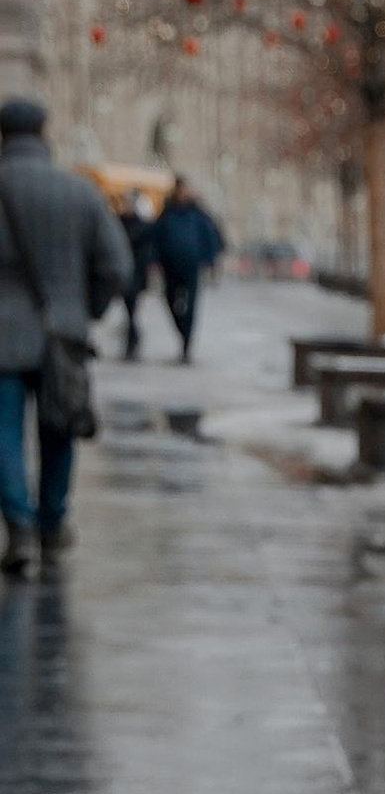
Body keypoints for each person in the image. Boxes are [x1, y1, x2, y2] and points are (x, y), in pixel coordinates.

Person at [0, 97, 130, 578]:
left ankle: (18, 524)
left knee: (3, 434)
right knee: (59, 427)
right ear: (44, 131)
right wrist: (85, 308)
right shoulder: (78, 191)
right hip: (62, 330)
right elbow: (117, 266)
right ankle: (52, 525)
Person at [153, 175, 226, 361]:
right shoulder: (167, 213)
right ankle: (182, 330)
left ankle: (186, 342)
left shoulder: (199, 215)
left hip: (192, 267)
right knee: (170, 300)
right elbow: (156, 237)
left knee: (191, 306)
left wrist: (209, 260)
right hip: (170, 266)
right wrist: (154, 260)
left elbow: (212, 237)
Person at [116, 190, 157, 358]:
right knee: (129, 308)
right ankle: (132, 338)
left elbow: (148, 250)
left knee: (132, 307)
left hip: (137, 273)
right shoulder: (117, 223)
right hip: (123, 271)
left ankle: (132, 339)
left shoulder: (142, 225)